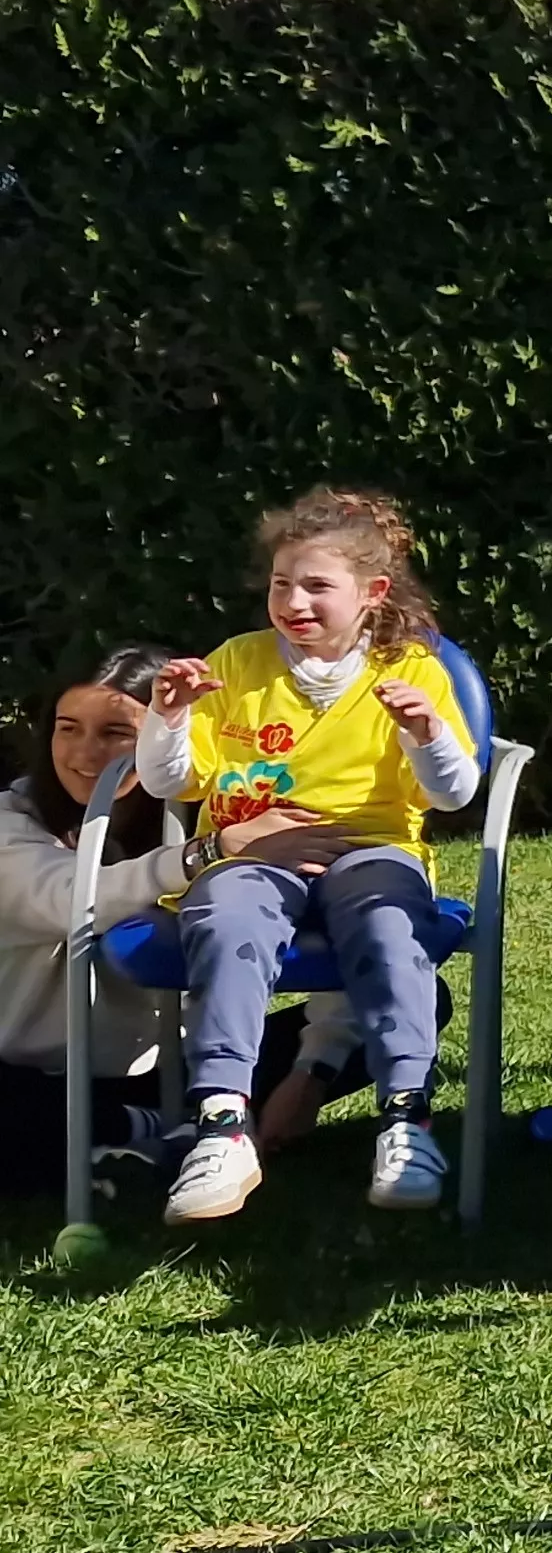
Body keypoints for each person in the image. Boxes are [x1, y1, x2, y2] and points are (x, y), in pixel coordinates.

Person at [138, 489, 482, 1220]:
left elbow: (453, 795)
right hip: (255, 851)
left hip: (372, 848)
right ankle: (224, 1124)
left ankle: (407, 1119)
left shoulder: (411, 670)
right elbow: (173, 780)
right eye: (280, 583)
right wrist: (168, 717)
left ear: (371, 594)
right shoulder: (238, 663)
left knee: (389, 926)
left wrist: (426, 732)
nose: (294, 600)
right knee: (228, 920)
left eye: (317, 585)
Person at [3, 646, 374, 1205]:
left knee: (396, 1003)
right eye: (67, 728)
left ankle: (183, 1123)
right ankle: (147, 1135)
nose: (84, 753)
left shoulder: (222, 808)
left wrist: (312, 1067)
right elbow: (69, 899)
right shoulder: (12, 822)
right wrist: (208, 854)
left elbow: (330, 930)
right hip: (30, 1073)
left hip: (178, 1065)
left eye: (114, 733)